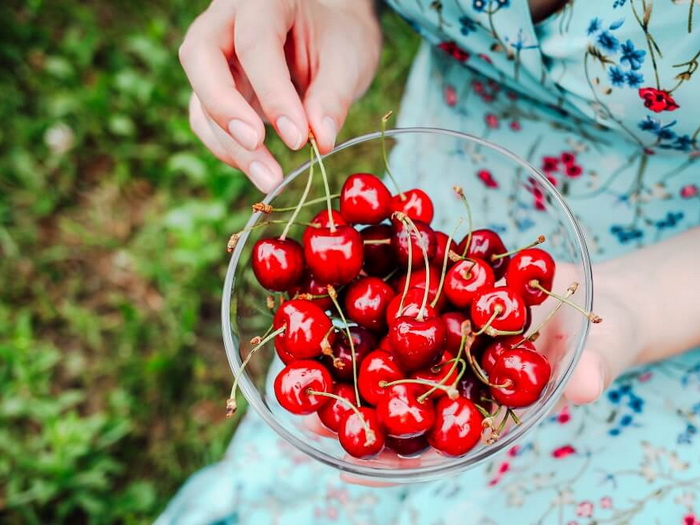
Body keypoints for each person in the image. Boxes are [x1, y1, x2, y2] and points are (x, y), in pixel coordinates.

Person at [160, 0, 700, 522]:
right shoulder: (375, 280)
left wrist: (634, 302)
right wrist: (338, 9)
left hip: (669, 277)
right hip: (418, 225)